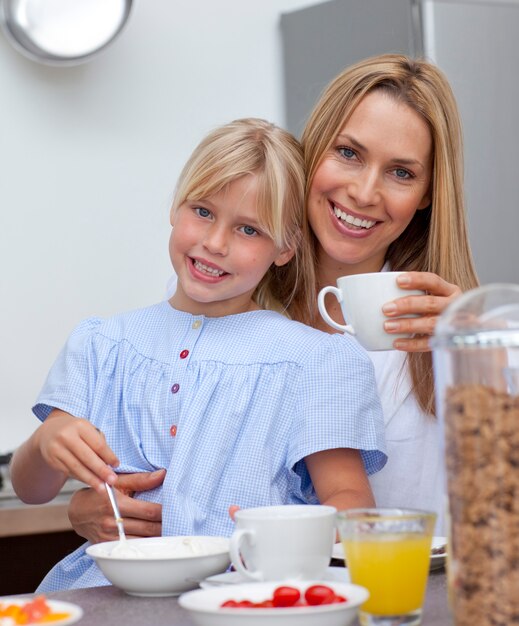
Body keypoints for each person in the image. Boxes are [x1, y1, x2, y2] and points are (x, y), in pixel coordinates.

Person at [66, 54, 479, 542]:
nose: (365, 192)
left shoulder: (456, 330)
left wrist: (485, 350)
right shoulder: (216, 300)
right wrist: (88, 509)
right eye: (348, 153)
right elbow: (159, 480)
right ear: (313, 151)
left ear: (429, 193)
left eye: (402, 173)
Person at [11, 118, 386, 591]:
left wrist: (288, 534)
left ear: (286, 247)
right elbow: (31, 488)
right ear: (175, 206)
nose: (215, 243)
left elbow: (350, 498)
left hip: (247, 596)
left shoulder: (317, 361)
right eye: (203, 212)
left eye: (249, 229)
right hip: (105, 595)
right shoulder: (102, 344)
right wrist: (48, 441)